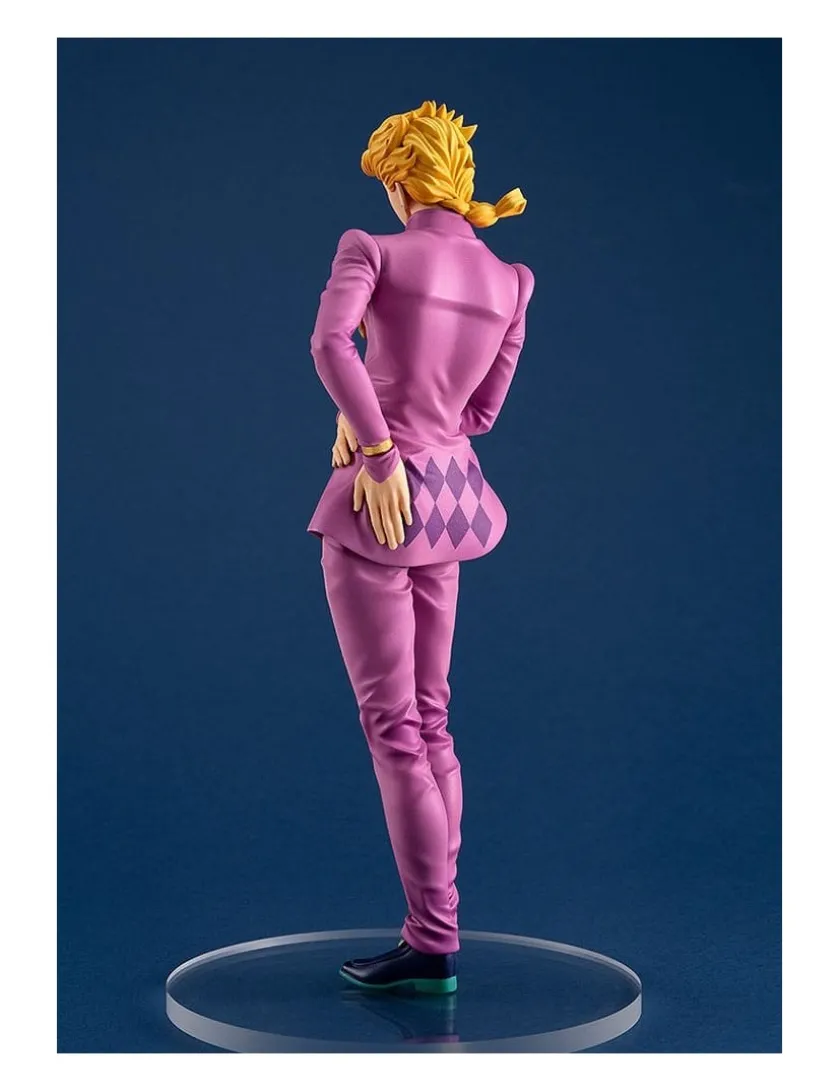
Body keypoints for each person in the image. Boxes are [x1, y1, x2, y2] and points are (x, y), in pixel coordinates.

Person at [307, 100, 535, 993]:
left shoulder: (373, 249)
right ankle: (438, 929)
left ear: (402, 181)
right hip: (450, 502)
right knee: (430, 718)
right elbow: (480, 413)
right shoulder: (509, 280)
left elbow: (330, 342)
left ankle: (432, 937)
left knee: (395, 727)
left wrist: (376, 445)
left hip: (380, 504)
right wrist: (381, 415)